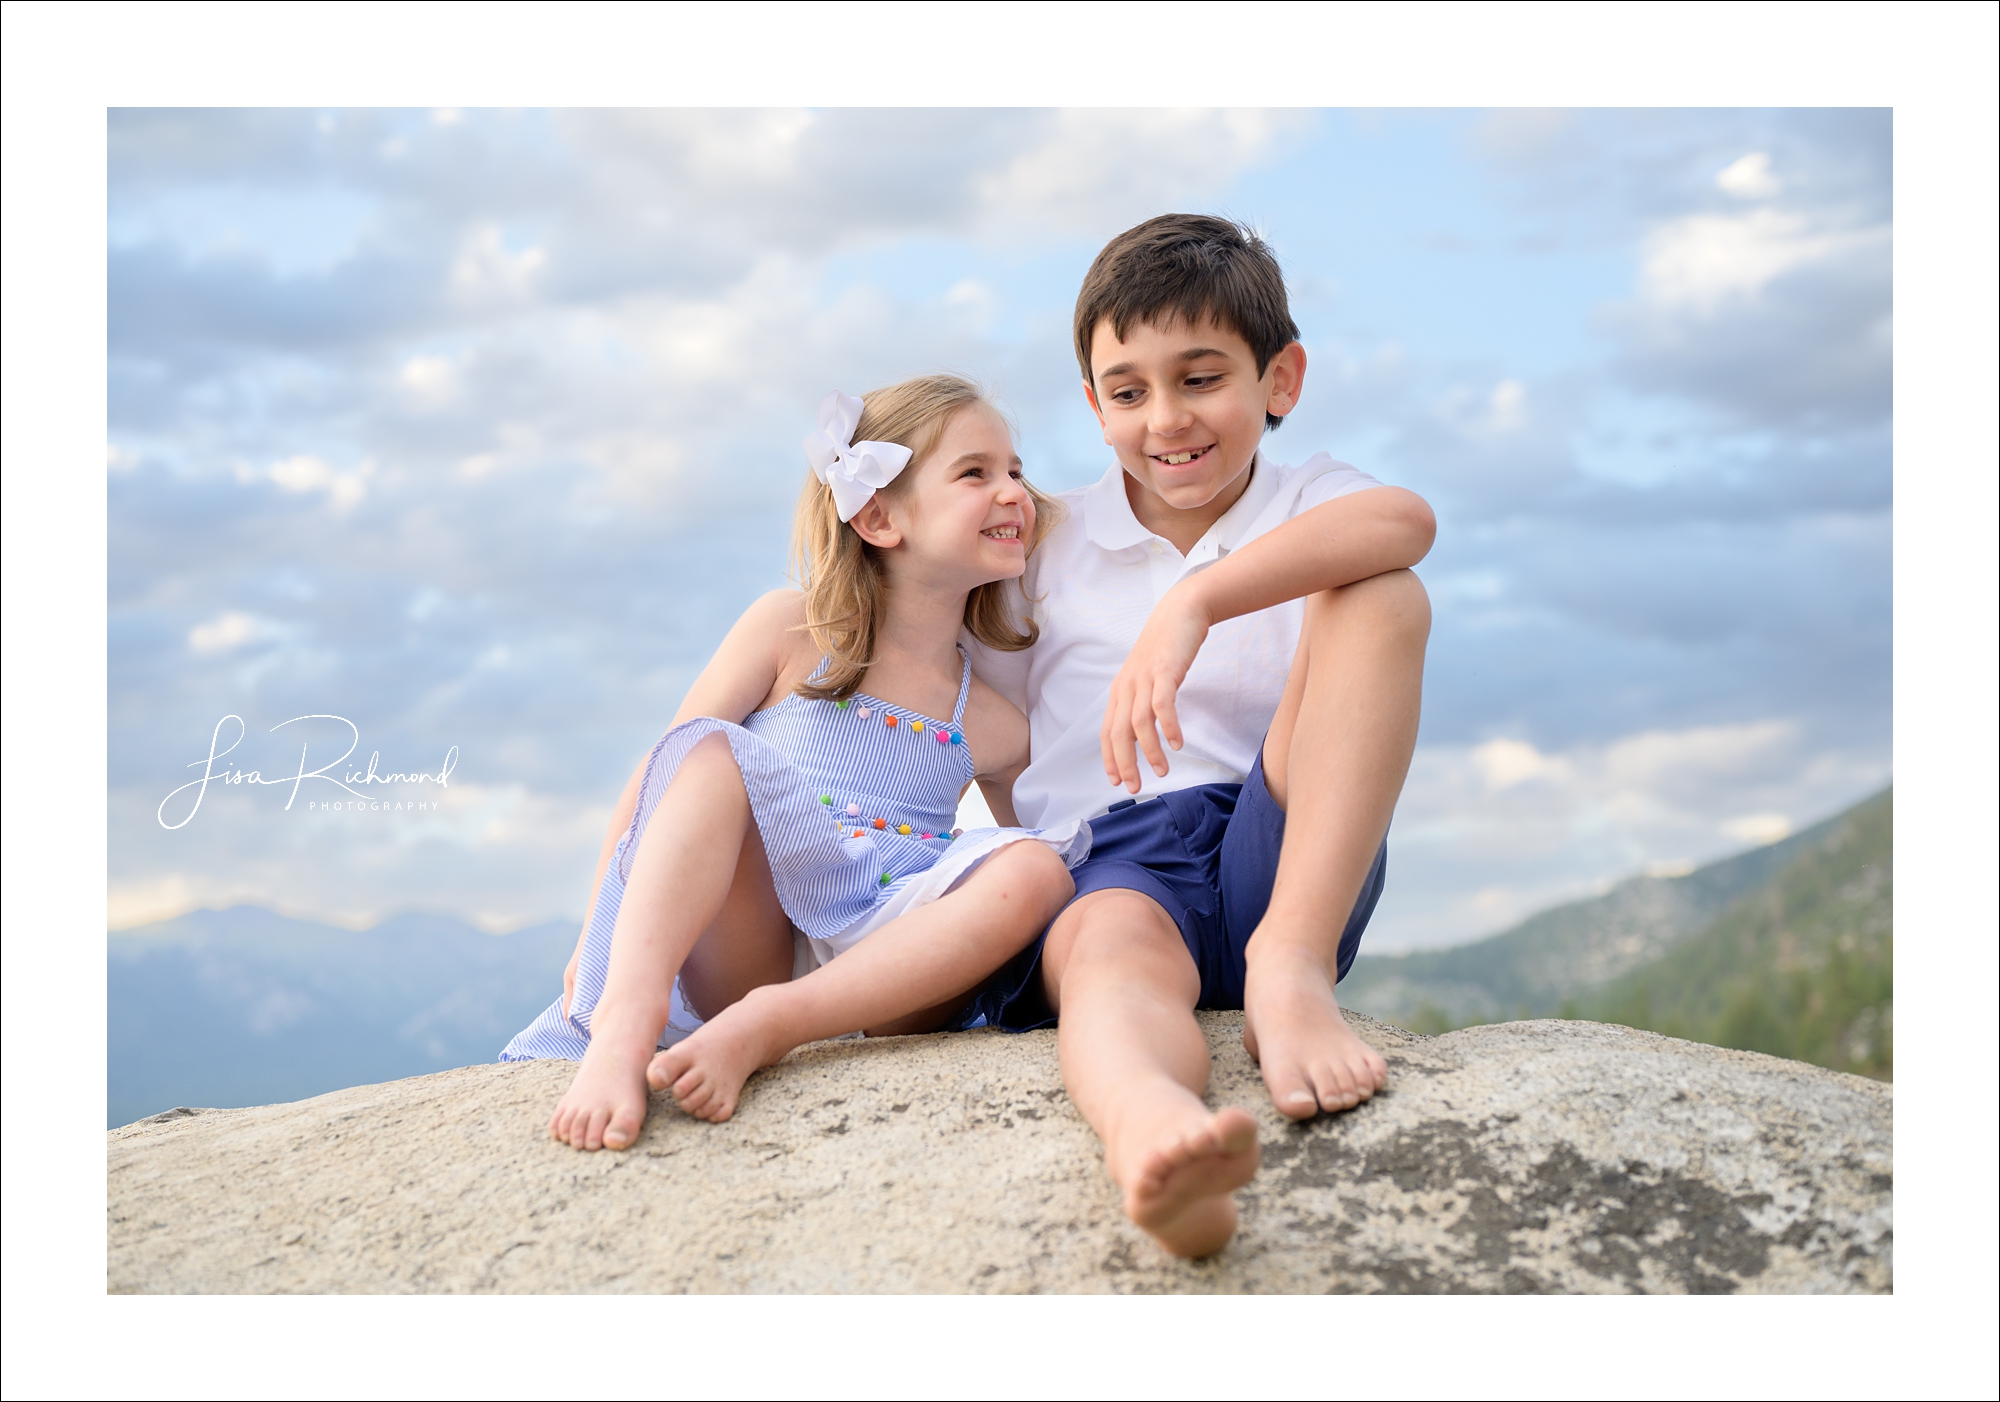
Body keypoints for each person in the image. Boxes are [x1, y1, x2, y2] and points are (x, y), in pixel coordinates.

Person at [958, 214, 1437, 1257]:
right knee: (1109, 957)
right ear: (1093, 406)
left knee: (1382, 595)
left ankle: (1289, 970)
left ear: (1280, 378)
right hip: (1116, 858)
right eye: (1127, 391)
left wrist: (1193, 603)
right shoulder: (1046, 539)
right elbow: (995, 750)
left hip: (1286, 846)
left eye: (1200, 376)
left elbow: (1405, 524)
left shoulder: (1308, 499)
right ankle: (1155, 1138)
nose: (1164, 418)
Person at [502, 375, 1088, 1152]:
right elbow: (660, 782)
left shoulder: (993, 721)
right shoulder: (791, 630)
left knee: (1040, 869)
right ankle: (623, 1029)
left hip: (878, 971)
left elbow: (1028, 885)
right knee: (709, 757)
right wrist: (592, 945)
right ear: (878, 516)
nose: (1015, 492)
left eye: (1016, 469)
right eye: (976, 473)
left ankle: (770, 1030)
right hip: (756, 949)